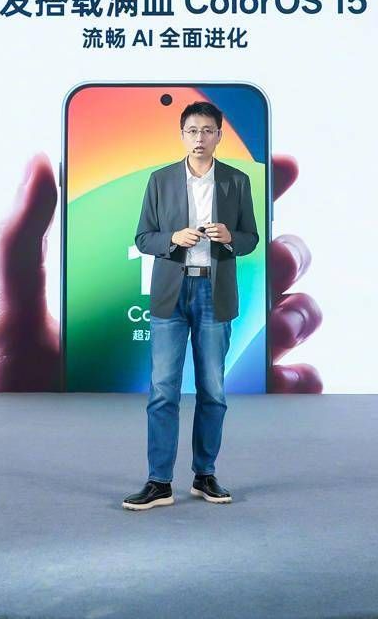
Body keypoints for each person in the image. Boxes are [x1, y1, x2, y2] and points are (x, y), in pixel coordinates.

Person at [123, 101, 259, 510]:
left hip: (214, 293)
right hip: (171, 292)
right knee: (162, 390)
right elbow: (143, 238)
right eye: (192, 131)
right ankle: (159, 482)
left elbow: (251, 238)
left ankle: (205, 475)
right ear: (182, 135)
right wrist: (172, 239)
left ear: (219, 136)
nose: (200, 138)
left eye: (207, 131)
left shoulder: (236, 181)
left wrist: (230, 237)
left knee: (212, 390)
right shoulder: (160, 180)